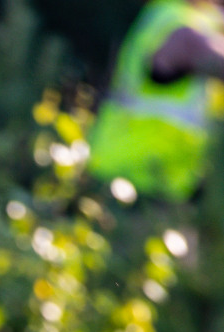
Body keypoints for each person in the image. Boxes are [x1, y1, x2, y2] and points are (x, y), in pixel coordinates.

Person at [89, 0, 224, 200]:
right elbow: (202, 50)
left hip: (151, 182)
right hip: (129, 180)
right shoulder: (179, 24)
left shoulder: (176, 15)